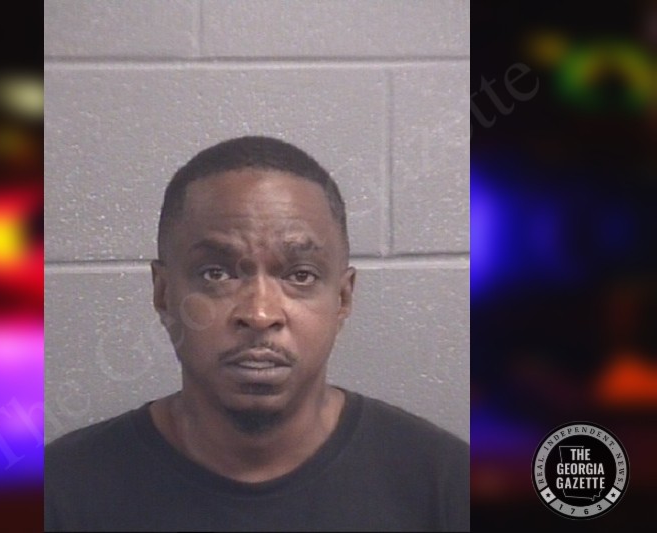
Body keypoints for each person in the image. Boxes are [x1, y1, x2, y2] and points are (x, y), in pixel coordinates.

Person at [44, 136, 469, 531]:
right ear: (163, 294)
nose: (260, 313)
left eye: (300, 275)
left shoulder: (446, 487)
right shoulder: (60, 493)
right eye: (216, 273)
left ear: (342, 298)